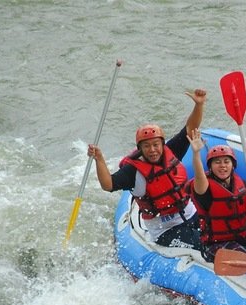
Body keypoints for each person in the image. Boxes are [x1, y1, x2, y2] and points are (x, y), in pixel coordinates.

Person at [87, 88, 207, 249]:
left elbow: (190, 128)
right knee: (202, 246)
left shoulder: (171, 151)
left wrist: (199, 105)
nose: (152, 150)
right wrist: (99, 159)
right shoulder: (132, 171)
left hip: (190, 215)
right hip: (164, 230)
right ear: (140, 149)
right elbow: (108, 185)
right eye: (147, 146)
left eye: (156, 145)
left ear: (162, 145)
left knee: (215, 238)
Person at [187, 129, 246, 262]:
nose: (222, 166)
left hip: (244, 236)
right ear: (210, 167)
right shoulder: (205, 188)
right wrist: (196, 153)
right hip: (217, 244)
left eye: (226, 161)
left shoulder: (242, 183)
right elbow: (199, 176)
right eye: (217, 162)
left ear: (233, 165)